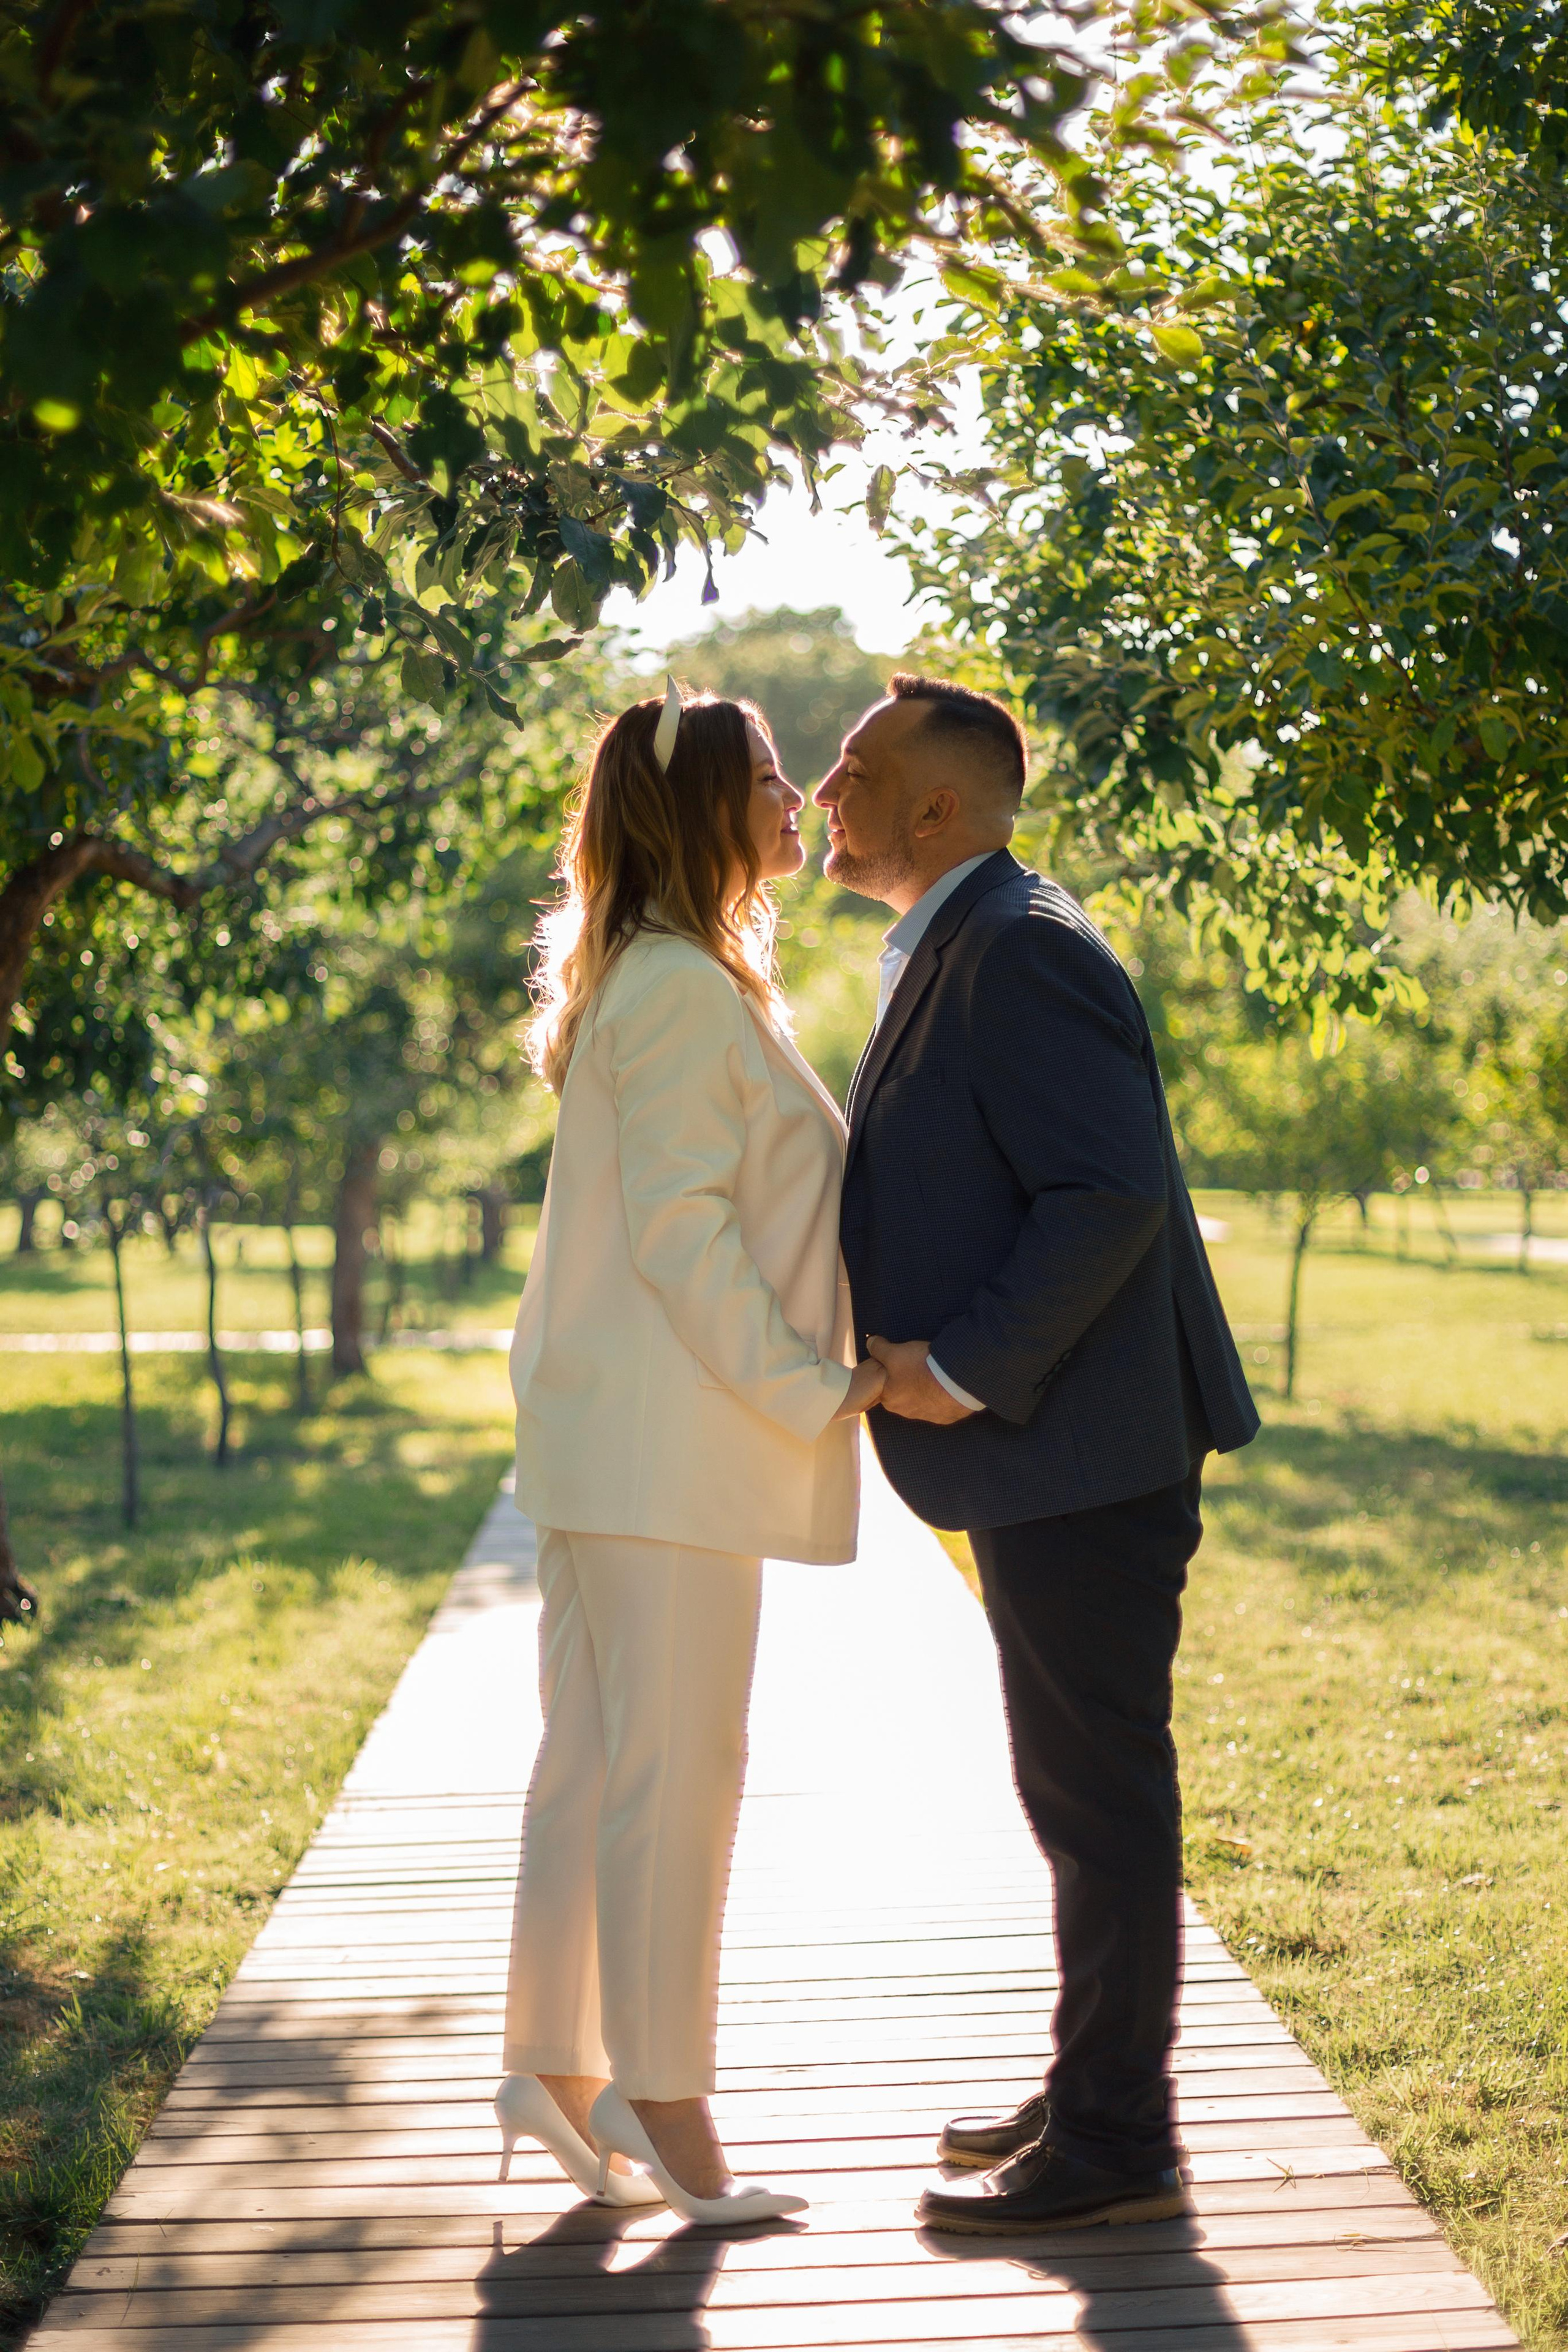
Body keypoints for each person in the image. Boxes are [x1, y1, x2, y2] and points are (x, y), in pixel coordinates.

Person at [818, 673, 1260, 2233]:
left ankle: (1117, 2139)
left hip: (1083, 1448)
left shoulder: (1017, 949)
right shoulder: (969, 936)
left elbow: (1106, 1195)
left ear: (935, 807)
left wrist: (958, 1371)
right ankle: (1093, 2082)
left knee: (1095, 1792)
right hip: (1060, 1453)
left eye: (853, 768)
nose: (825, 792)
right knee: (1070, 1785)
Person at [497, 679, 885, 2226]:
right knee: (677, 1775)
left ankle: (555, 2066)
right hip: (666, 1446)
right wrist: (815, 1387)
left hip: (621, 1440)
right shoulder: (672, 986)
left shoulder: (663, 973)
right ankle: (658, 2095)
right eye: (770, 776)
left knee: (599, 1762)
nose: (796, 802)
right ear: (699, 807)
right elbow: (681, 1234)